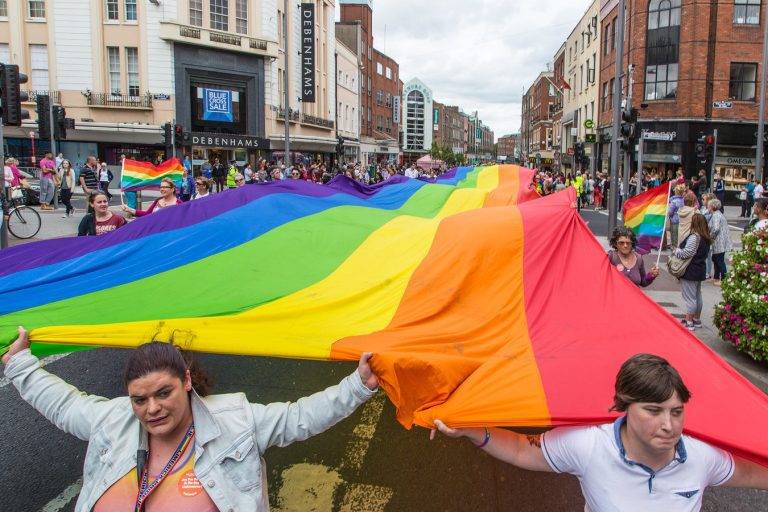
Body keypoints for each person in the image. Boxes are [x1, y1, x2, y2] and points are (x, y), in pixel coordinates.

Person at [2, 327, 378, 512]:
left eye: (163, 393)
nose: (152, 409)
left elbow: (300, 418)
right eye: (140, 399)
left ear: (185, 380)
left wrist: (358, 385)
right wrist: (18, 363)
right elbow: (65, 405)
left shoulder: (236, 422)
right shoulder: (112, 420)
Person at [431, 353, 768, 511]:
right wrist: (473, 431)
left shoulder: (702, 456)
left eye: (676, 411)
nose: (670, 425)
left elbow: (755, 475)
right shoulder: (588, 445)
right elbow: (522, 450)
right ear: (624, 405)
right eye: (653, 411)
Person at [675, 213, 712, 331]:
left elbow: (687, 253)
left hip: (690, 270)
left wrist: (677, 251)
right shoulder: (706, 237)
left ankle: (689, 321)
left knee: (690, 297)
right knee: (697, 296)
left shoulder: (694, 237)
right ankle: (697, 319)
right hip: (700, 269)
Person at [707, 198, 731, 286]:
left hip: (719, 241)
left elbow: (716, 228)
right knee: (716, 259)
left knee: (719, 260)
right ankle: (716, 277)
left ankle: (724, 279)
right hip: (718, 241)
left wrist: (710, 237)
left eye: (709, 206)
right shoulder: (716, 214)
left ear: (713, 207)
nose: (707, 207)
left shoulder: (716, 215)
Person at [667, 184, 686, 249]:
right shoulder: (683, 200)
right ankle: (678, 248)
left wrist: (670, 215)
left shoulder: (674, 201)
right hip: (682, 220)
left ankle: (675, 250)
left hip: (674, 220)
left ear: (676, 192)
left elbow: (670, 212)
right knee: (679, 236)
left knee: (674, 236)